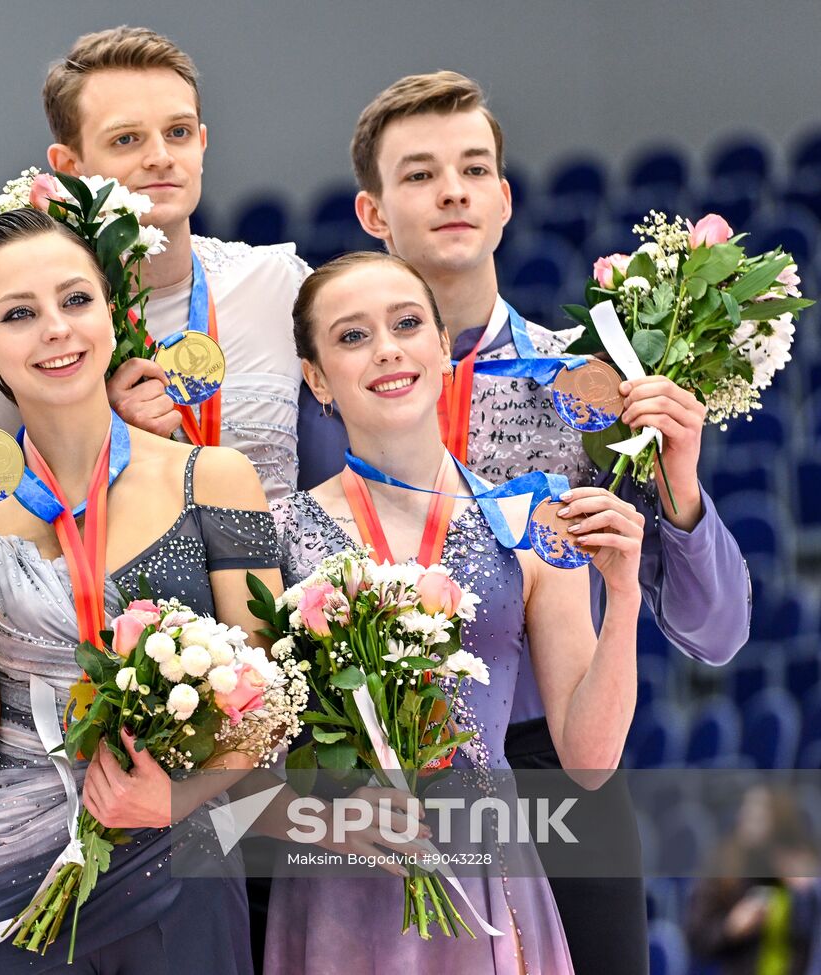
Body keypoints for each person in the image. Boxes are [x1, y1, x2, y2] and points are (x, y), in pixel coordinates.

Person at [296, 71, 751, 972]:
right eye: (420, 174)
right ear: (373, 212)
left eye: (474, 169)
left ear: (505, 201)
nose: (453, 190)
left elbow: (718, 632)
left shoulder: (600, 384)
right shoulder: (319, 406)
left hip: (555, 766)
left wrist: (682, 490)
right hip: (375, 775)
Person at [0, 208, 282, 974]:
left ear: (112, 311)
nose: (56, 331)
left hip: (183, 846)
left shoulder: (217, 477)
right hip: (22, 863)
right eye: (18, 315)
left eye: (75, 301)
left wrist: (179, 797)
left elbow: (270, 702)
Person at [267, 252, 644, 972]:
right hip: (340, 883)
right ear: (316, 378)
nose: (386, 348)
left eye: (407, 323)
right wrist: (314, 820)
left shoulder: (530, 521)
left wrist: (622, 598)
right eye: (351, 336)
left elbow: (591, 763)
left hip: (489, 877)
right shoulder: (276, 535)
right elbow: (237, 778)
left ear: (442, 346)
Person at [0, 25, 307, 501]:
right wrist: (102, 434)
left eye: (177, 133)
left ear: (201, 144)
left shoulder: (280, 285)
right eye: (126, 139)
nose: (159, 157)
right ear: (69, 167)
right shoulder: (16, 344)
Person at [687, 785, 821, 975]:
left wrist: (808, 893)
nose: (748, 820)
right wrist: (731, 927)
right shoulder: (724, 865)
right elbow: (697, 938)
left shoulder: (800, 868)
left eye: (759, 815)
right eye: (746, 811)